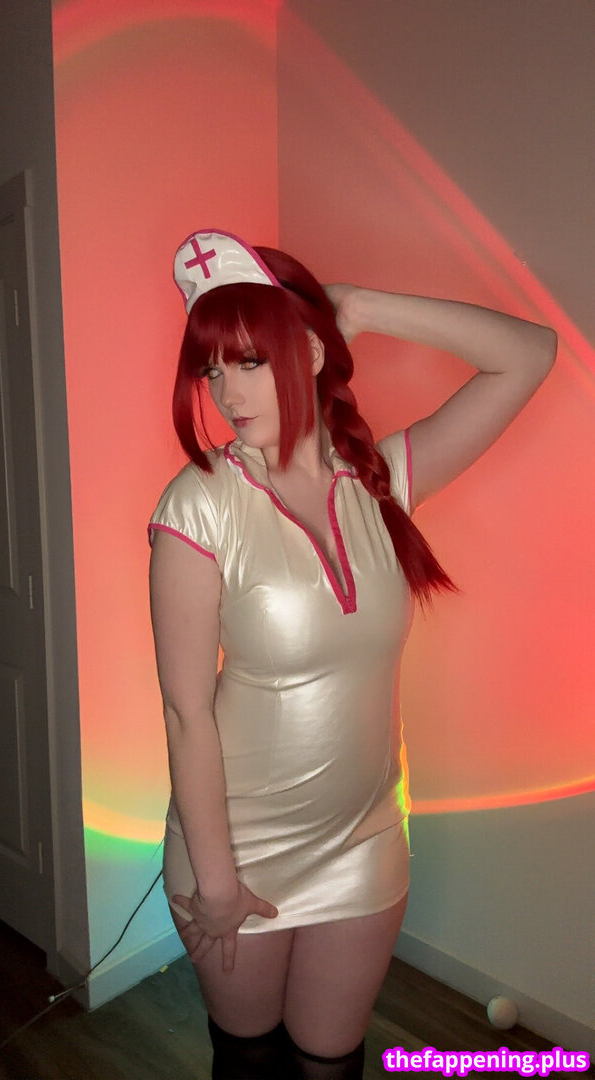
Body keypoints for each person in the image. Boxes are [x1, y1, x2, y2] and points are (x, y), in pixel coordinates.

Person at [148, 229, 556, 1079]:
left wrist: (359, 307)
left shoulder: (382, 480)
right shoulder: (200, 503)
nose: (226, 391)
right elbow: (186, 712)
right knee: (251, 1062)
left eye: (249, 360)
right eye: (211, 370)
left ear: (307, 351)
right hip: (237, 846)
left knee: (332, 1062)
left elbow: (530, 355)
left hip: (366, 838)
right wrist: (216, 883)